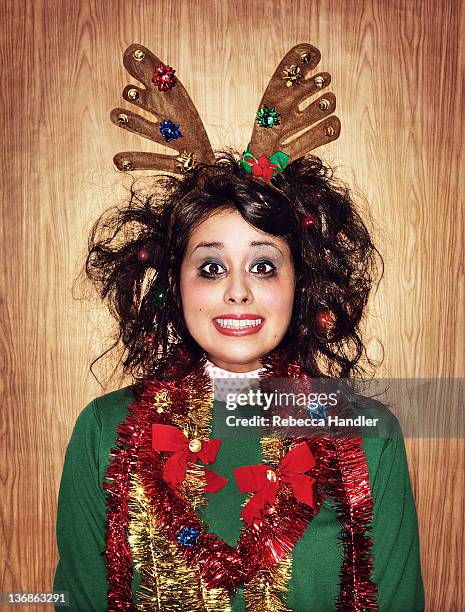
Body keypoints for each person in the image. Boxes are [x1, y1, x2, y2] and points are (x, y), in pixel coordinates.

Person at [53, 43, 424, 611]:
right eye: (210, 266)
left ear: (299, 283)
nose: (237, 289)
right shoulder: (105, 432)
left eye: (263, 264)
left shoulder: (369, 435)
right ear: (175, 286)